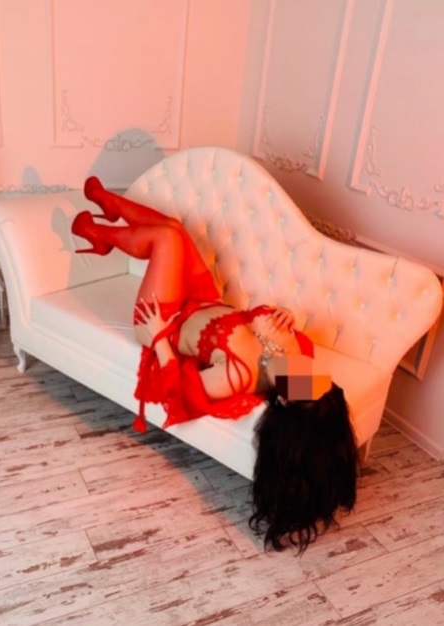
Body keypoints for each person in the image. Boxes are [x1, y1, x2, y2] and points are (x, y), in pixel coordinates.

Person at [72, 176, 360, 553]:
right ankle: (110, 208)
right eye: (316, 376)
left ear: (284, 399)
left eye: (303, 381)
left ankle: (99, 235)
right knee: (175, 228)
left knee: (166, 240)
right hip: (202, 298)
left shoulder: (235, 377)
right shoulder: (293, 352)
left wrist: (159, 338)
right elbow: (282, 339)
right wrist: (286, 316)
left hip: (166, 319)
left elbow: (179, 389)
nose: (306, 369)